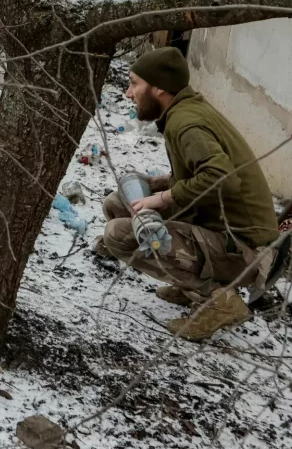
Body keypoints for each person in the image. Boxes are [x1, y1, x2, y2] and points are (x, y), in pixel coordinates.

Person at [95, 47, 281, 341]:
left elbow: (222, 178)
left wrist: (161, 198)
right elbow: (203, 175)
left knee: (120, 234)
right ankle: (191, 284)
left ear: (158, 88)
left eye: (134, 83)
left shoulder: (186, 123)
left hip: (249, 252)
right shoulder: (184, 110)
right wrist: (158, 183)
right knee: (119, 204)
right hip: (226, 231)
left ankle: (218, 299)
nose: (128, 92)